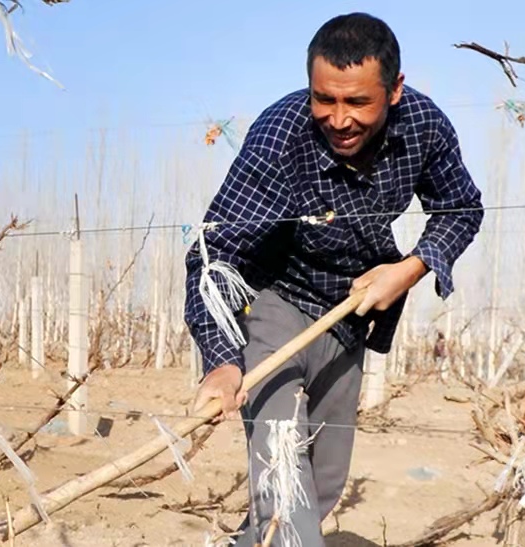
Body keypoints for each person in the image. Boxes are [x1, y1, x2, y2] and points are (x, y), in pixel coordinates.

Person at [183, 12, 484, 546]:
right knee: (283, 483)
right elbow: (212, 256)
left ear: (394, 90)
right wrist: (223, 362)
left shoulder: (424, 125)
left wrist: (409, 270)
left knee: (322, 483)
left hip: (351, 314)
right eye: (325, 99)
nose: (339, 119)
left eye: (358, 103)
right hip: (275, 301)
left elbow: (461, 208)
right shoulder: (280, 137)